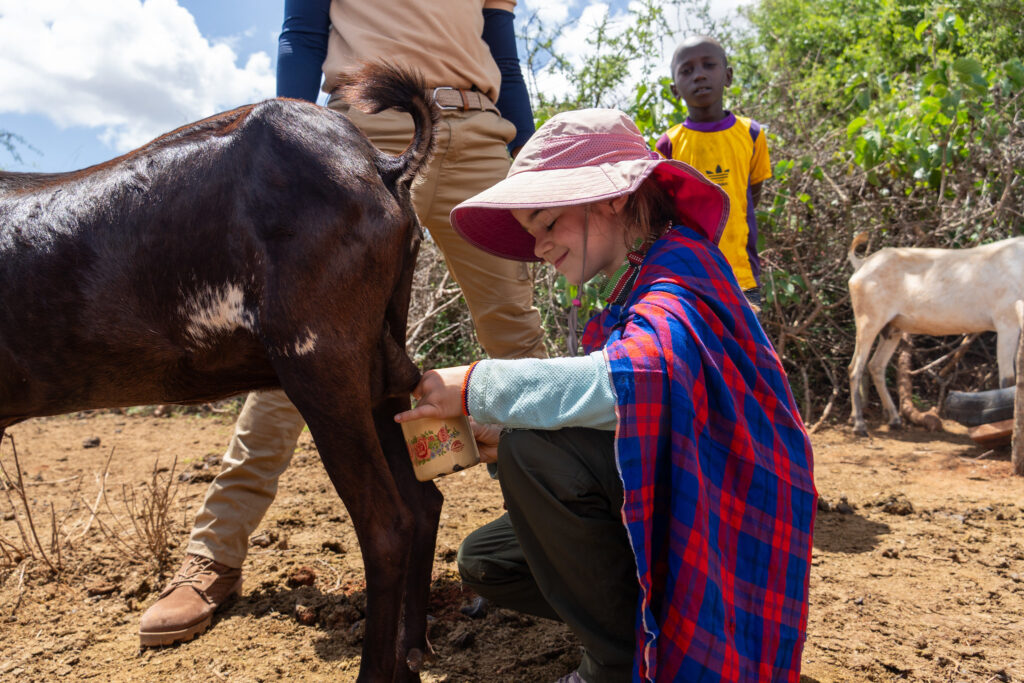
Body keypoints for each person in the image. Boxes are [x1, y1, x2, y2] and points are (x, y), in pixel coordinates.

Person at [138, 0, 546, 647]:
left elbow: (503, 50)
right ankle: (214, 553)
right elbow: (302, 33)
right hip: (366, 130)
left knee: (517, 337)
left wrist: (528, 155)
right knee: (305, 347)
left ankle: (561, 532)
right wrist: (290, 155)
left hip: (478, 135)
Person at [394, 109, 817, 682]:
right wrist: (506, 426)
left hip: (729, 502)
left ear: (613, 197)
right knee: (489, 561)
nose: (539, 247)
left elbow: (638, 380)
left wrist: (475, 386)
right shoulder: (642, 279)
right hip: (688, 483)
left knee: (533, 455)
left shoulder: (679, 271)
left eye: (547, 222)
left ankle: (616, 665)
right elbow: (641, 404)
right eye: (532, 233)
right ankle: (646, 629)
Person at [656, 35, 772, 312]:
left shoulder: (751, 134)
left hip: (742, 274)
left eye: (709, 65)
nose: (699, 75)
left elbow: (753, 194)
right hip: (688, 278)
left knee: (747, 339)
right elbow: (661, 211)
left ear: (728, 76)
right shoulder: (668, 145)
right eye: (687, 70)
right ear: (675, 89)